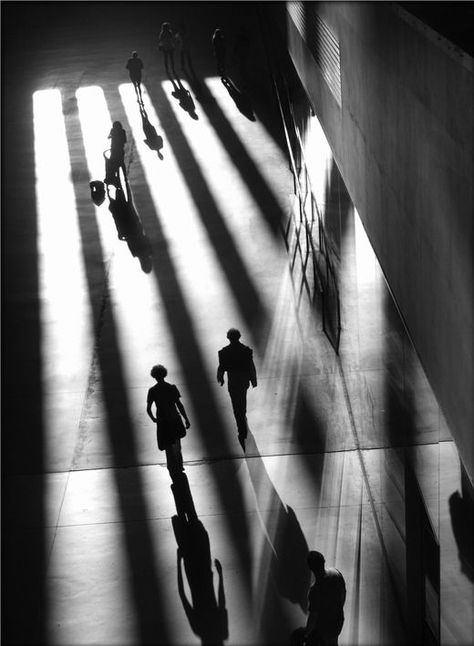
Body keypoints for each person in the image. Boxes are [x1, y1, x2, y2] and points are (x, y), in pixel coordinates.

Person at [147, 364, 191, 479]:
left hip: (162, 421)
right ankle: (179, 465)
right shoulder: (172, 388)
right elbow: (179, 405)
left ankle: (171, 465)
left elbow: (148, 408)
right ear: (164, 374)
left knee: (167, 444)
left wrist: (153, 419)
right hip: (174, 418)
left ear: (154, 376)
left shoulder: (152, 390)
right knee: (177, 443)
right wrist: (186, 418)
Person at [217, 328, 257, 450]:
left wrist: (221, 378)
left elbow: (221, 367)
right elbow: (251, 366)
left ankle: (241, 429)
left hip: (233, 381)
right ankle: (243, 417)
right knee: (242, 400)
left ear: (228, 338)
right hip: (243, 380)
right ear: (239, 337)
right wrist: (253, 380)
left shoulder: (223, 352)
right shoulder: (246, 350)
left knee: (235, 405)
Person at [304, 551, 346, 646]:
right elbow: (343, 593)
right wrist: (338, 609)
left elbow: (313, 616)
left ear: (310, 568)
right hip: (338, 620)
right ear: (324, 560)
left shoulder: (315, 590)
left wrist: (306, 634)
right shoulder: (336, 573)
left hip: (324, 628)